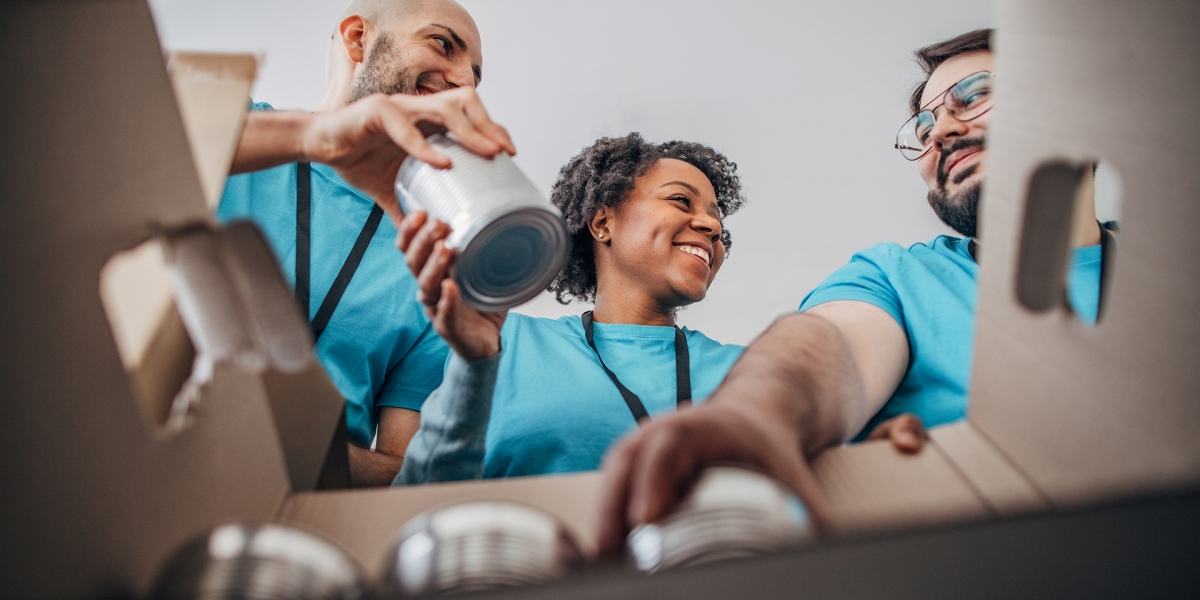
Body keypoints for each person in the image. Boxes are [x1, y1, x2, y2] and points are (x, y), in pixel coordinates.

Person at [594, 28, 1112, 554]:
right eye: (925, 127)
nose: (939, 133)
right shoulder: (898, 278)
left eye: (974, 96)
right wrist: (754, 416)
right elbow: (828, 343)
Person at [218, 0, 516, 486]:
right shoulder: (230, 127)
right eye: (443, 44)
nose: (465, 83)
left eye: (476, 76)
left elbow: (405, 473)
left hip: (304, 512)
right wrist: (313, 137)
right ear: (358, 39)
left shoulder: (432, 258)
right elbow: (117, 150)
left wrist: (288, 451)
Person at [388, 134, 748, 483]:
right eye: (681, 200)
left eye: (717, 218)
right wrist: (474, 365)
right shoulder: (504, 343)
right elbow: (422, 496)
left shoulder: (747, 369)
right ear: (603, 223)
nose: (712, 227)